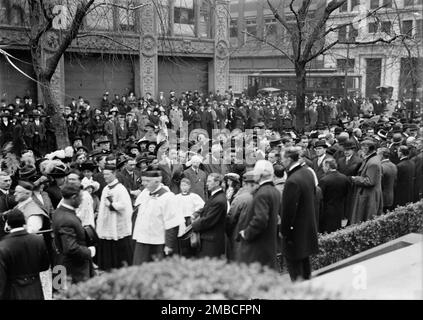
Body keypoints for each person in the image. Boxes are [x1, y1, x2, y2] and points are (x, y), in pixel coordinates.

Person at [281, 147, 318, 282]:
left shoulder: (292, 180)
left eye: (283, 158)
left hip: (295, 233)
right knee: (306, 269)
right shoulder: (307, 173)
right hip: (307, 227)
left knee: (297, 275)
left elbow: (288, 210)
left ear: (290, 159)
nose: (281, 161)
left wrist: (284, 231)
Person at [237, 161, 281, 269]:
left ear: (260, 174)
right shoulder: (274, 191)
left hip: (260, 244)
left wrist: (246, 233)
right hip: (269, 241)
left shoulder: (262, 193)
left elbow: (260, 219)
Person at [132, 170, 181, 264]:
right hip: (142, 240)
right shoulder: (145, 195)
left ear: (157, 181)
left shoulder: (167, 197)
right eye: (143, 181)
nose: (144, 184)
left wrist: (169, 245)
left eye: (147, 181)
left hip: (158, 242)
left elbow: (172, 223)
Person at [0, 208, 50, 300]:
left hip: (14, 291)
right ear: (24, 222)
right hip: (35, 289)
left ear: (8, 225)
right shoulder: (38, 240)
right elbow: (45, 266)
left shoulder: (3, 245)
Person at [52, 184, 95, 284]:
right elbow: (71, 248)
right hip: (73, 269)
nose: (81, 200)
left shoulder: (59, 212)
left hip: (63, 264)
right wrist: (89, 251)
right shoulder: (67, 219)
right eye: (81, 197)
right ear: (73, 197)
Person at [96, 164, 133, 271]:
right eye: (104, 174)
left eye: (107, 174)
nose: (105, 177)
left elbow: (125, 206)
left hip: (118, 223)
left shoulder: (121, 189)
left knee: (120, 252)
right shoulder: (105, 189)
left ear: (114, 174)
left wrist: (112, 206)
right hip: (107, 223)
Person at [191, 173, 227, 258]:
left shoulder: (219, 200)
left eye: (209, 181)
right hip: (208, 239)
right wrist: (196, 214)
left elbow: (208, 220)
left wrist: (193, 225)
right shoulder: (215, 196)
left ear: (217, 183)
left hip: (212, 242)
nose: (207, 183)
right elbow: (205, 209)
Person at [350, 140, 383, 225]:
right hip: (366, 194)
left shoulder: (373, 162)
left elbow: (370, 181)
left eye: (362, 147)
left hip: (368, 196)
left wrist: (355, 178)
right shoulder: (371, 159)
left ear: (367, 148)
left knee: (366, 220)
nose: (361, 149)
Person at [225, 171, 256, 262]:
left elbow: (230, 219)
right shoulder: (260, 196)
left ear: (244, 183)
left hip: (238, 236)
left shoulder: (240, 198)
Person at [174, 178, 205, 257]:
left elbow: (202, 207)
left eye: (185, 185)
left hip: (190, 220)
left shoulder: (194, 196)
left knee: (191, 239)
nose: (184, 187)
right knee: (181, 240)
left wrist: (194, 214)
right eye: (182, 185)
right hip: (180, 221)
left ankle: (192, 255)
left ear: (189, 186)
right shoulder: (176, 197)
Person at [319, 158, 349, 233]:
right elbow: (347, 193)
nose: (323, 168)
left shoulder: (324, 180)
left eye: (323, 166)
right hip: (340, 210)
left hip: (327, 211)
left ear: (327, 166)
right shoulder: (344, 178)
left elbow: (320, 197)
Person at [377, 147, 397, 213]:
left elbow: (379, 183)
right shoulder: (394, 165)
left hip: (382, 197)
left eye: (377, 154)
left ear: (381, 155)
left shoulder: (381, 167)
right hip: (391, 196)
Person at [0, 172, 17, 240]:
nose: (8, 183)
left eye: (10, 180)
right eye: (5, 181)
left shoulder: (15, 193)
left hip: (16, 229)